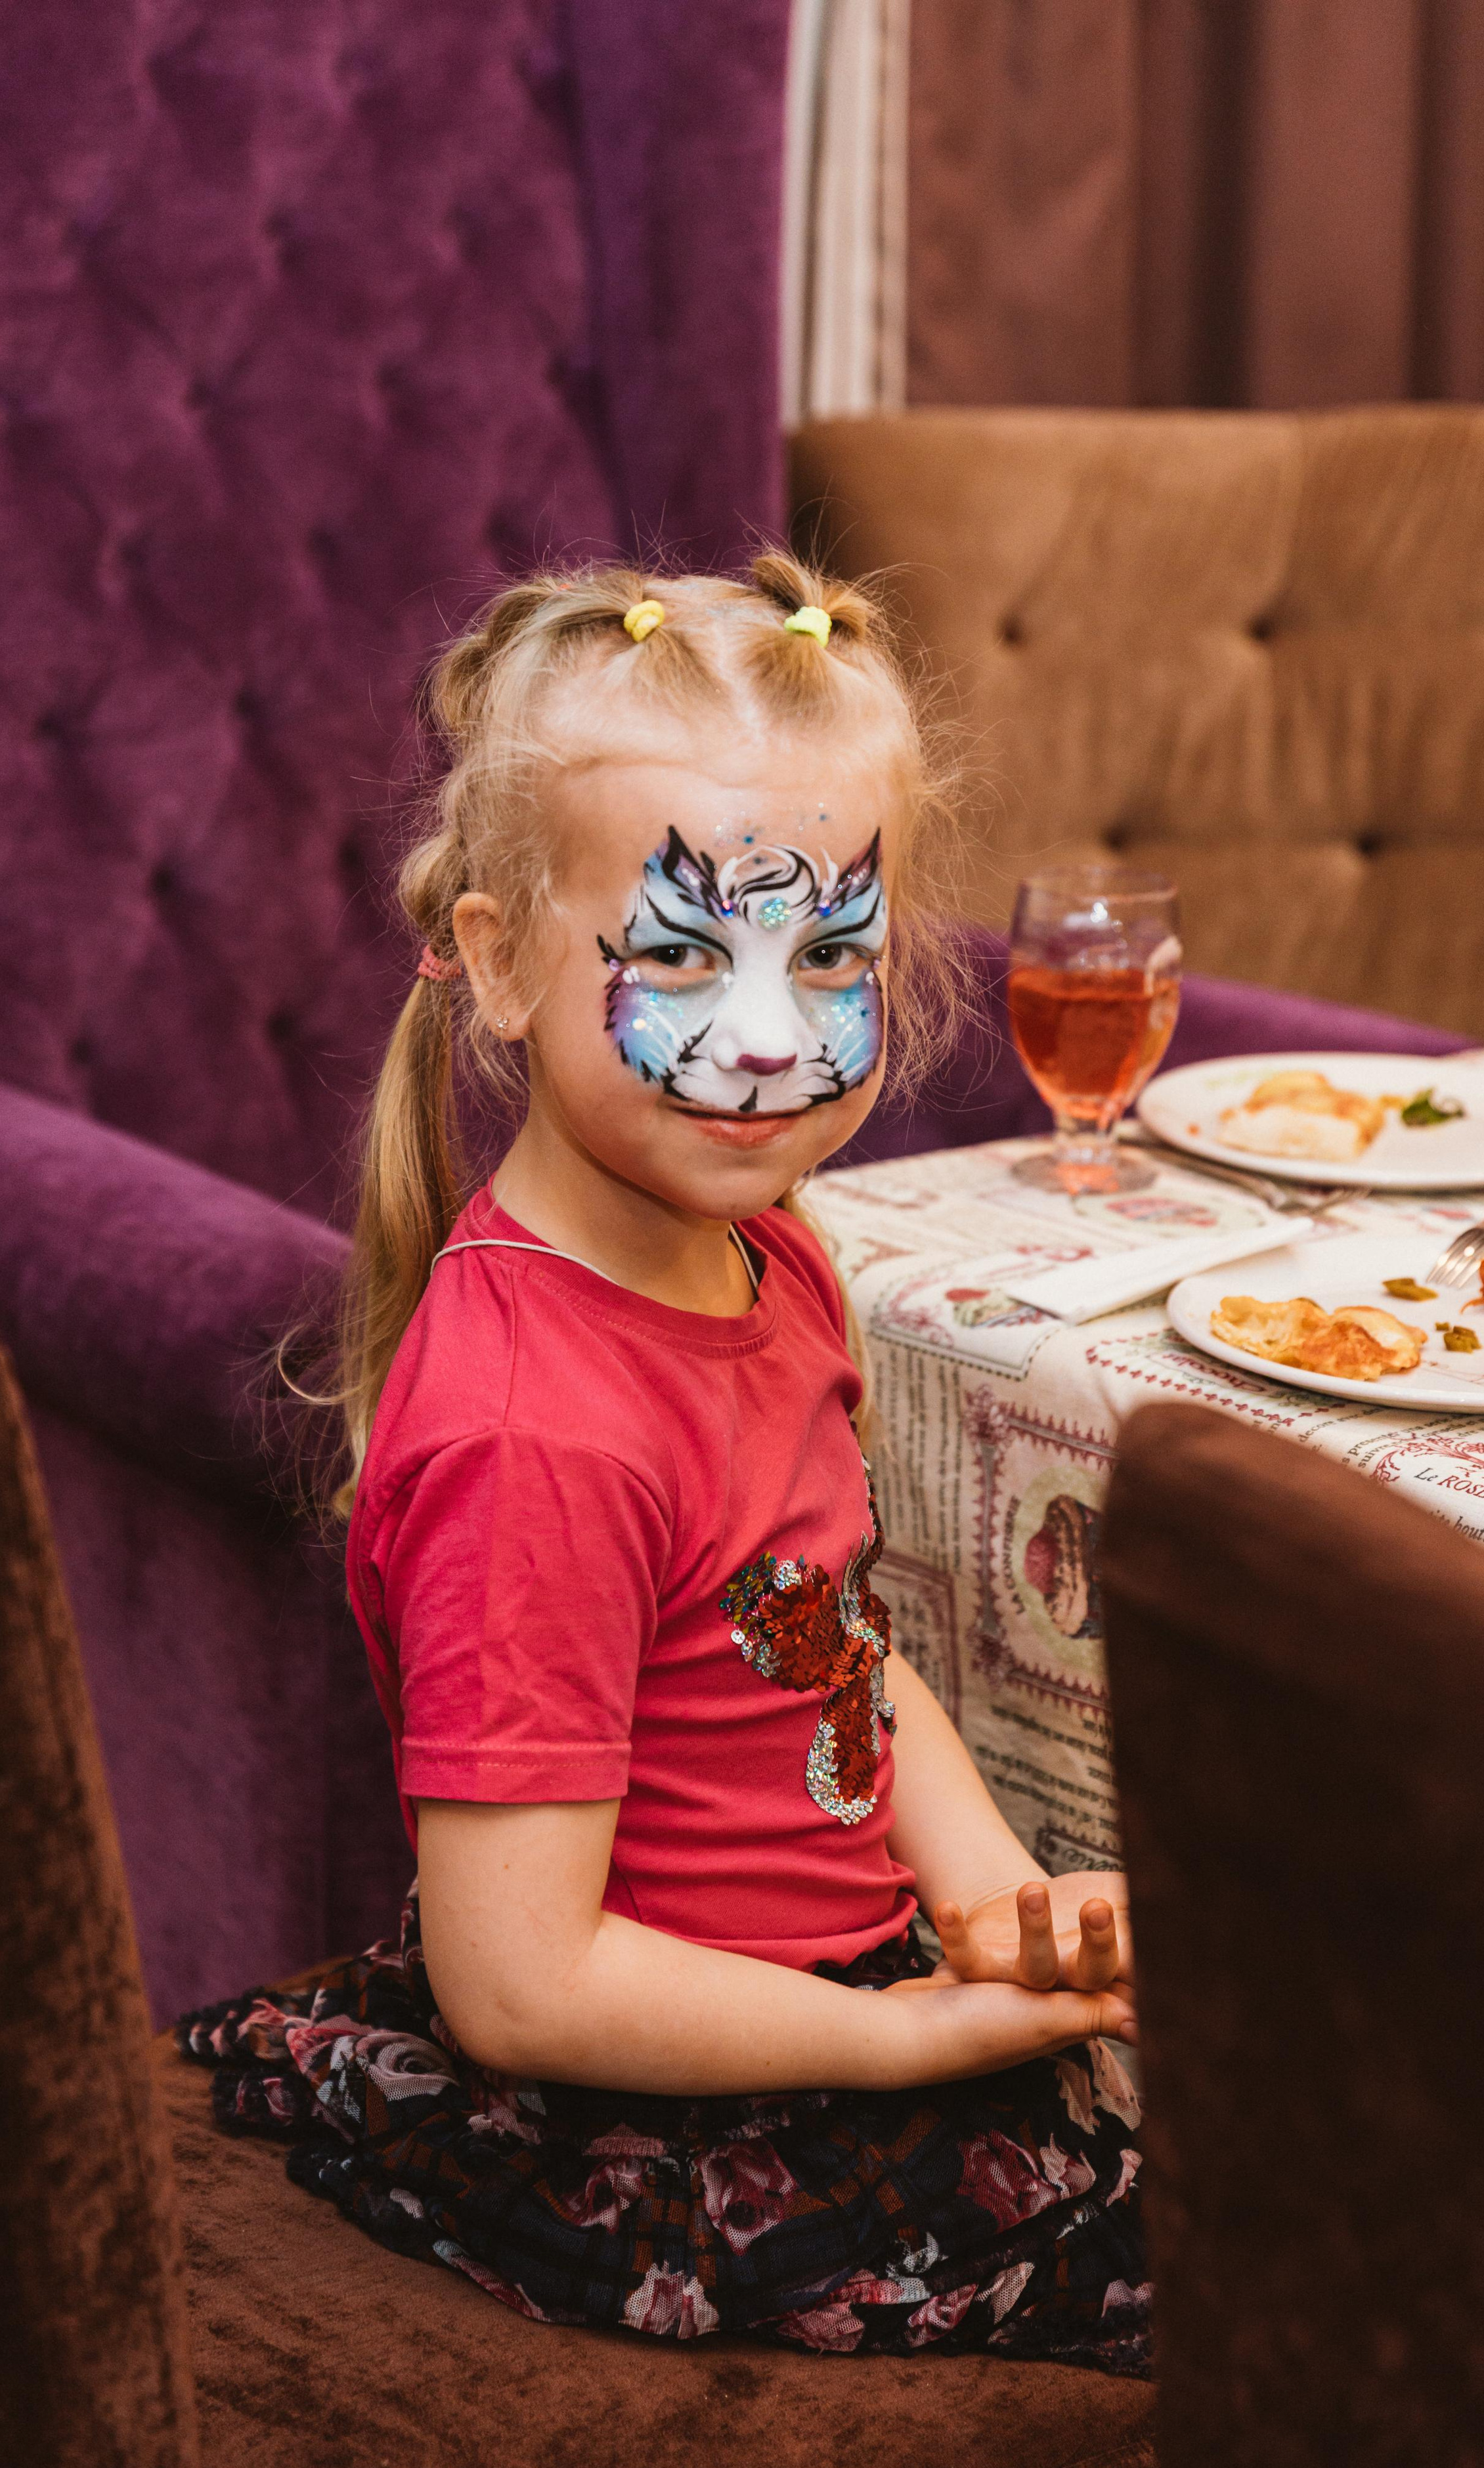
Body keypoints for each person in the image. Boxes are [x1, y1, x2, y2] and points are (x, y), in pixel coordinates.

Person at [180, 555, 1149, 2369]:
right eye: (687, 956)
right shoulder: (534, 1429)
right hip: (684, 2116)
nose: (772, 1043)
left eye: (833, 956)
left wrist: (989, 1907)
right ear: (496, 964)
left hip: (835, 1989)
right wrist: (908, 2038)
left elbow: (846, 1649)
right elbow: (521, 1980)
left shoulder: (770, 1247)